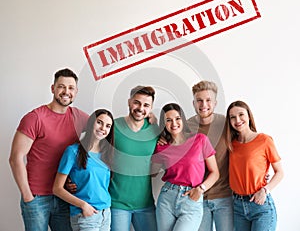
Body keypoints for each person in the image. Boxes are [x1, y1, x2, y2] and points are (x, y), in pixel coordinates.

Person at [9, 68, 89, 231]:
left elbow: (105, 127)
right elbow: (16, 158)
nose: (66, 92)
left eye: (71, 88)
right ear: (53, 88)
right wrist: (27, 196)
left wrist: (150, 119)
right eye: (61, 86)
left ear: (76, 91)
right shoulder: (35, 118)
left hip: (64, 196)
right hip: (37, 197)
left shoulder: (78, 117)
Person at [158, 81, 233, 231]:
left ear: (215, 102)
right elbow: (173, 140)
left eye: (208, 100)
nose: (203, 104)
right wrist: (158, 132)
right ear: (193, 103)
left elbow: (244, 147)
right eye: (199, 100)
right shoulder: (186, 125)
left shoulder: (227, 124)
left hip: (223, 195)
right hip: (194, 196)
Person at [152, 103, 219, 231]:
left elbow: (214, 172)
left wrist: (200, 189)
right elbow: (153, 172)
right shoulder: (161, 146)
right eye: (168, 120)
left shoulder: (200, 140)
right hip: (167, 198)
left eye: (177, 118)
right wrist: (153, 140)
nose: (174, 123)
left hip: (191, 198)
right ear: (164, 124)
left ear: (183, 119)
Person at [224, 100, 284, 231]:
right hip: (238, 206)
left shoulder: (264, 140)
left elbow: (280, 172)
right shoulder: (230, 144)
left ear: (249, 116)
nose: (237, 120)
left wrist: (265, 190)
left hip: (260, 206)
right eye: (232, 117)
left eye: (241, 114)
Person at [53, 109, 114, 231]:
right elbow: (57, 189)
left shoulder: (107, 154)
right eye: (99, 122)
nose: (103, 128)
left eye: (108, 126)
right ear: (91, 123)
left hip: (105, 214)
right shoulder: (73, 151)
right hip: (85, 214)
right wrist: (83, 205)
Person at [109, 85, 160, 231]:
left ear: (151, 108)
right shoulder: (113, 126)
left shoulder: (155, 131)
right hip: (117, 203)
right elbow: (92, 150)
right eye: (137, 102)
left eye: (146, 105)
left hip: (145, 204)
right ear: (129, 102)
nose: (140, 108)